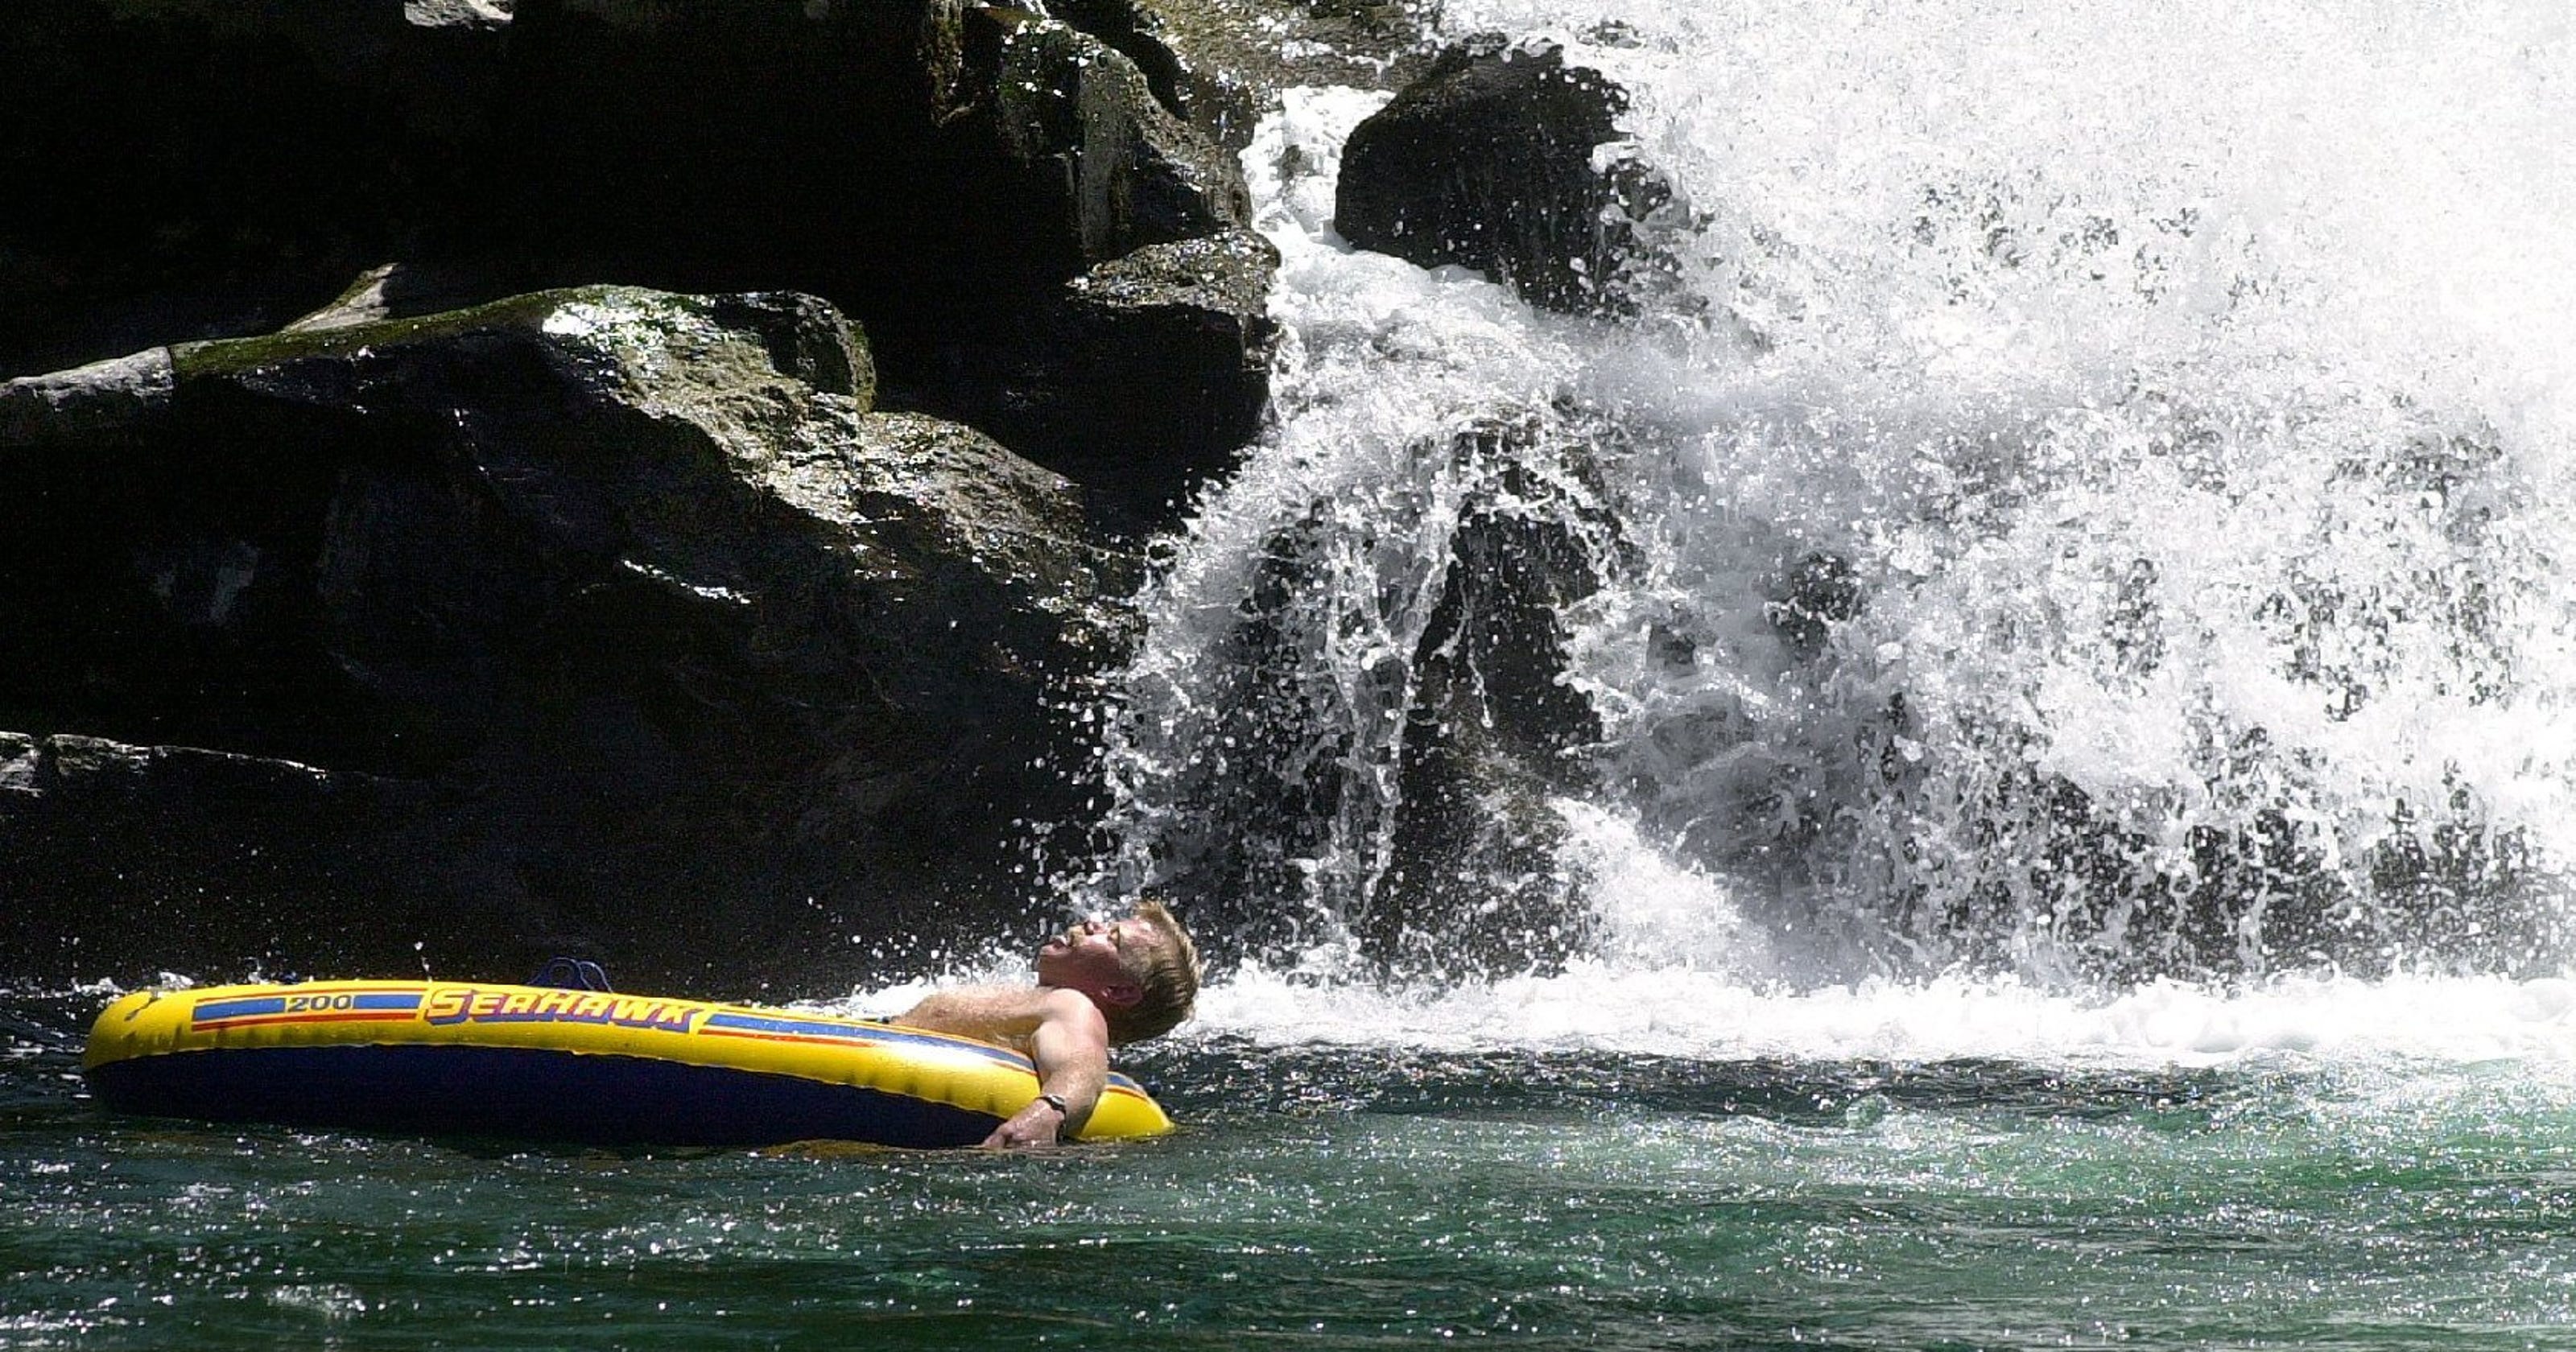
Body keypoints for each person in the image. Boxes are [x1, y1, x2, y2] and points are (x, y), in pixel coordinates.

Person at [894, 899, 1200, 1149]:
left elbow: (1083, 1061)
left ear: (1118, 991)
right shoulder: (1046, 1001)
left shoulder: (1074, 1006)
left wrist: (1048, 1113)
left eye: (1112, 937)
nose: (1093, 923)